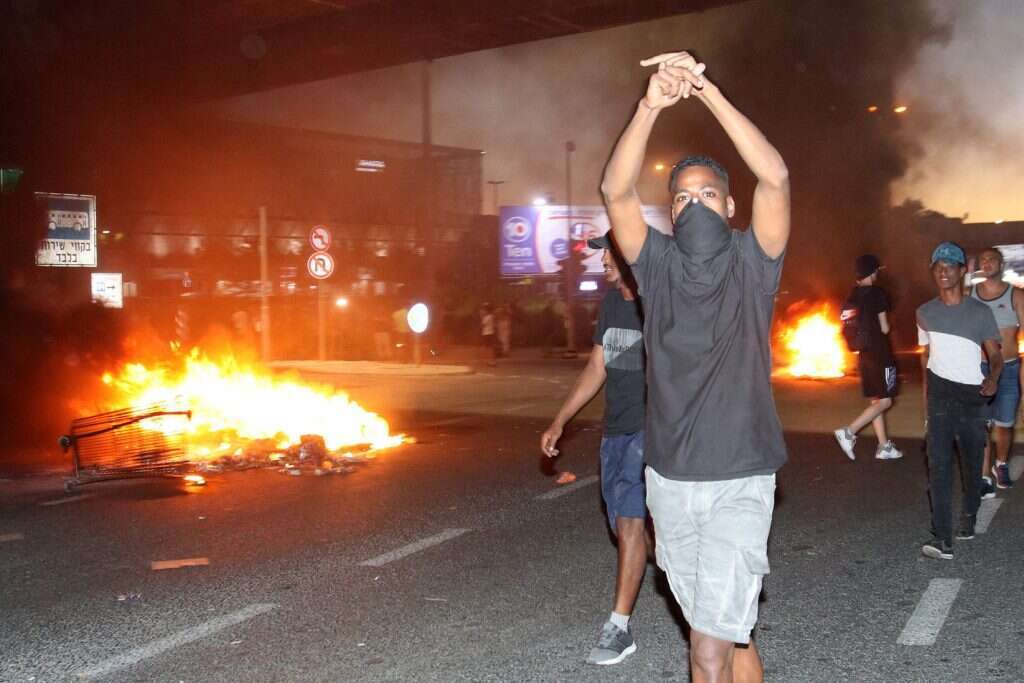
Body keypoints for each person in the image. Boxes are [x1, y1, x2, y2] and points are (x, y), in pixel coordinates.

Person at [601, 50, 789, 683]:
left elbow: (775, 177)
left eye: (710, 193)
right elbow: (615, 191)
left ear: (730, 207)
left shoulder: (752, 263)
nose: (697, 203)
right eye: (683, 197)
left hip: (740, 477)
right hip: (670, 482)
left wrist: (704, 89)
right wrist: (650, 105)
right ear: (671, 214)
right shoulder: (655, 266)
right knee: (727, 633)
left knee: (706, 650)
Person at [540, 233, 647, 666]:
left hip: (650, 432)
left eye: (608, 253)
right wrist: (560, 420)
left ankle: (619, 627)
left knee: (631, 523)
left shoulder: (656, 305)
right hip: (615, 433)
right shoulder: (611, 304)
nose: (602, 260)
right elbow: (596, 367)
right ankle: (679, 563)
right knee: (625, 528)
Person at [916, 242, 1002, 560]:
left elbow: (995, 354)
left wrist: (993, 378)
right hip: (940, 395)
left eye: (950, 265)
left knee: (971, 465)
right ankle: (943, 538)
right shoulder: (924, 313)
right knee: (938, 465)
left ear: (963, 270)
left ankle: (969, 515)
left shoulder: (980, 312)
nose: (943, 271)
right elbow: (926, 357)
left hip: (972, 396)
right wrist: (926, 402)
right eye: (938, 266)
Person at [833, 254, 903, 460]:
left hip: (864, 355)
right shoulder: (878, 294)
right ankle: (849, 432)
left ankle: (883, 447)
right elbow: (884, 327)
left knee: (876, 401)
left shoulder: (852, 297)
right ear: (873, 272)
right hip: (881, 354)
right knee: (886, 401)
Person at [970, 247, 1023, 494]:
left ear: (1001, 265)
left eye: (991, 259)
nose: (986, 262)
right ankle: (983, 476)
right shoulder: (970, 295)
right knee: (982, 423)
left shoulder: (1016, 295)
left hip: (1009, 368)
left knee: (1005, 423)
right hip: (980, 369)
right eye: (983, 259)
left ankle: (1000, 464)